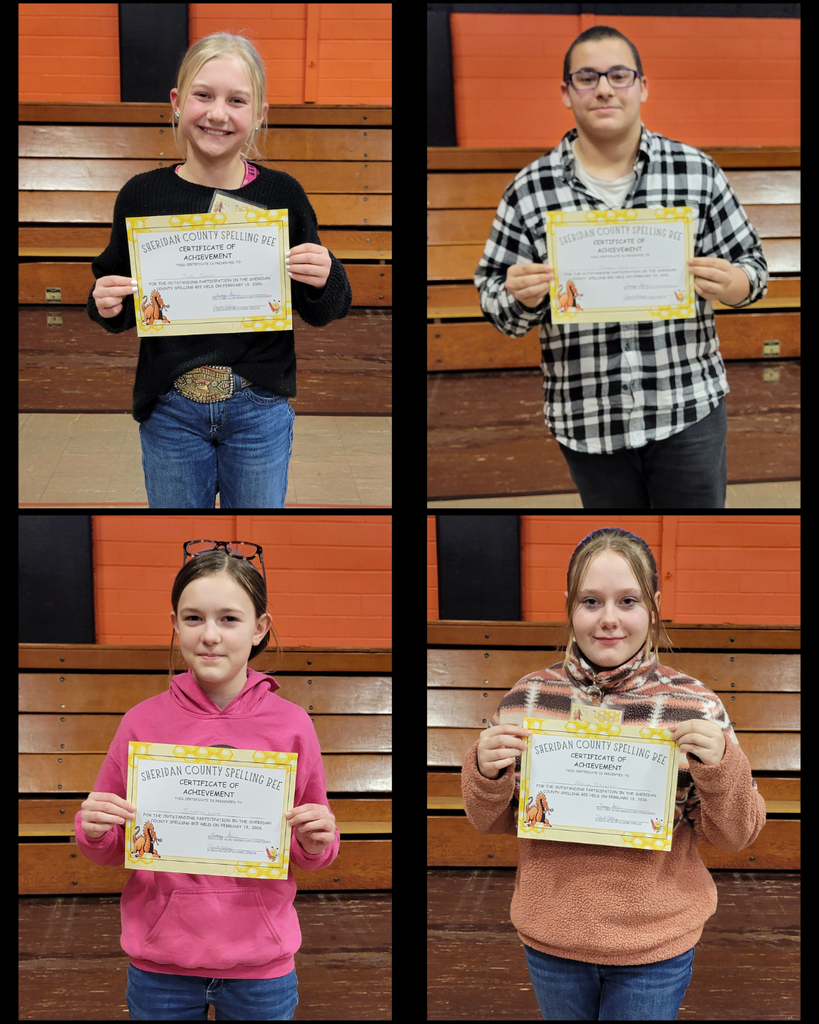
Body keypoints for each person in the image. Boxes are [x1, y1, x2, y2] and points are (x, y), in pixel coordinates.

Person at [461, 527, 766, 1020]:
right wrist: (483, 769)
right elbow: (490, 822)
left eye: (627, 600)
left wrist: (723, 767)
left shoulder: (695, 705)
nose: (608, 619)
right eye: (590, 601)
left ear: (653, 605)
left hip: (655, 945)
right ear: (568, 606)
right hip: (552, 940)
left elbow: (736, 835)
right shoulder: (527, 698)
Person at [474, 25, 768, 509]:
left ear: (643, 87)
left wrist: (735, 283)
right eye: (587, 77)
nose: (604, 88)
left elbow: (753, 269)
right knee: (614, 538)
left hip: (687, 406)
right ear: (566, 93)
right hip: (587, 417)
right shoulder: (529, 190)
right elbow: (495, 301)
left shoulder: (696, 172)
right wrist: (518, 297)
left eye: (618, 75)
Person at [76, 540, 339, 1020]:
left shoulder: (293, 725)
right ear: (174, 625)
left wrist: (318, 839)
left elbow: (309, 846)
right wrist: (93, 830)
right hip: (160, 965)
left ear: (260, 628)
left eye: (229, 619)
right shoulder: (140, 722)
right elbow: (114, 845)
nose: (210, 635)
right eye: (193, 618)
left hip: (262, 963)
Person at [88, 32, 352, 508]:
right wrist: (105, 303)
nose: (217, 113)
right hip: (170, 409)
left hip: (259, 410)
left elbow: (327, 309)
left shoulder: (282, 195)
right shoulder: (141, 196)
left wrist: (327, 275)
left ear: (259, 115)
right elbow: (118, 300)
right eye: (203, 95)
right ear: (176, 101)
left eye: (237, 100)